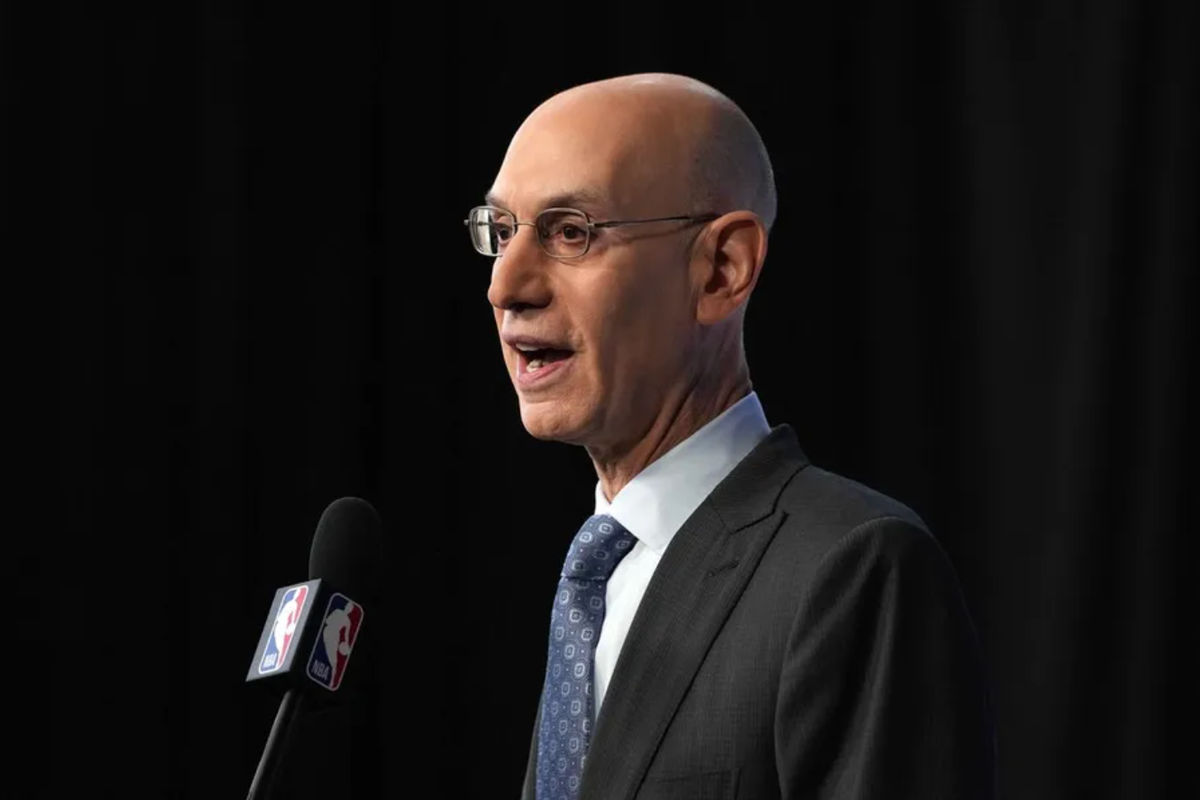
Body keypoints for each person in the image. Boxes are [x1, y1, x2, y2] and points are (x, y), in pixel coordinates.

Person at [468, 73, 995, 800]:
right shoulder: (593, 583)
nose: (507, 287)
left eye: (569, 232)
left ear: (722, 270)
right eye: (501, 234)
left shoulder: (851, 570)